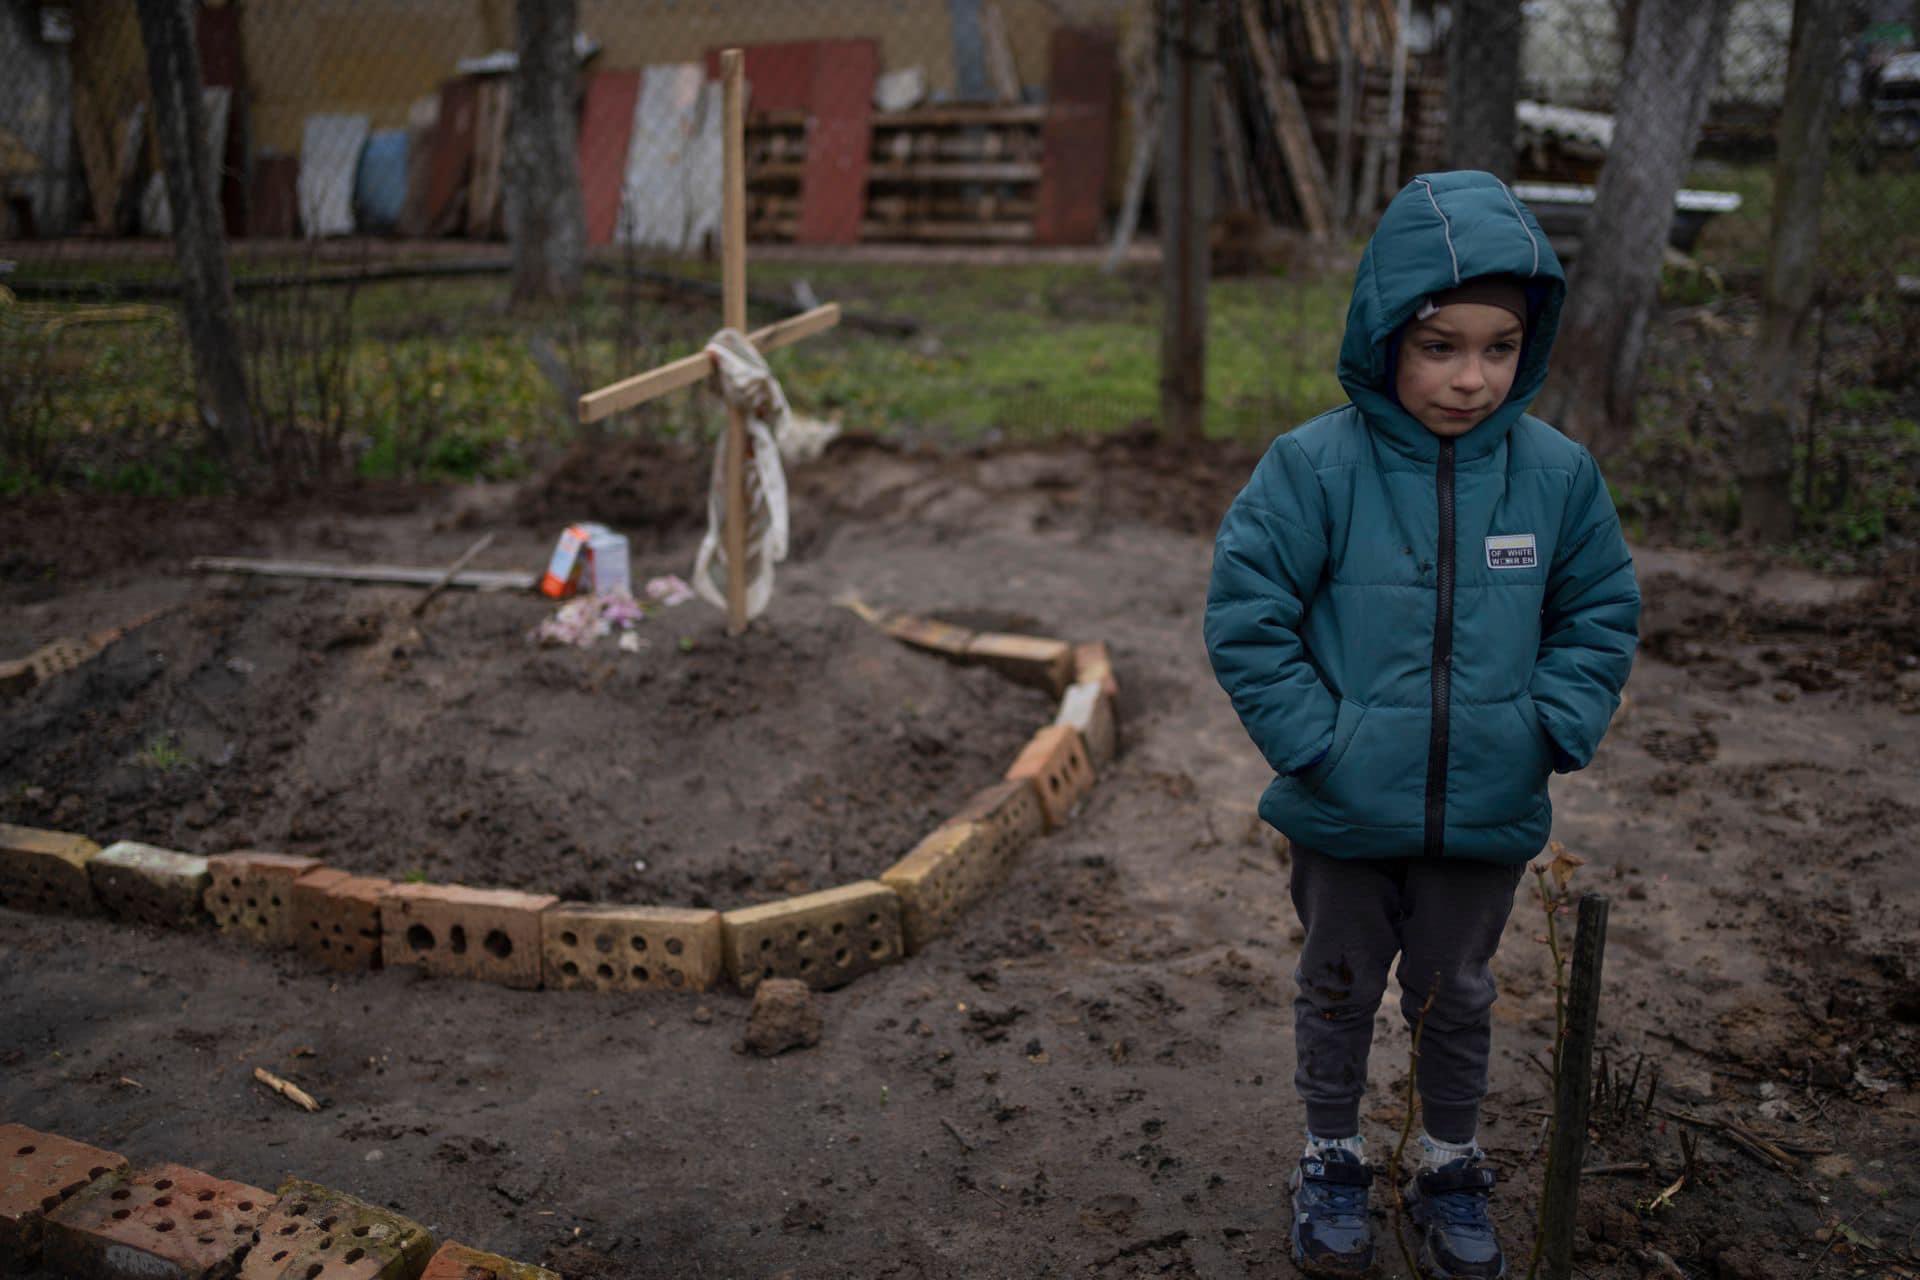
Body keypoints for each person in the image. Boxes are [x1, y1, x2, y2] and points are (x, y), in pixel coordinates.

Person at [1203, 171, 1640, 1279]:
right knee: (1338, 986)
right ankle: (1334, 1153)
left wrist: (1545, 726)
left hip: (1487, 809)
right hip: (1344, 810)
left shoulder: (1556, 478)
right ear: (1385, 330)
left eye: (1499, 347)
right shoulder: (1314, 468)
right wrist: (1320, 746)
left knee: (1458, 996)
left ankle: (1448, 1162)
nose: (1471, 377)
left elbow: (1600, 610)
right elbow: (1247, 615)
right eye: (1441, 343)